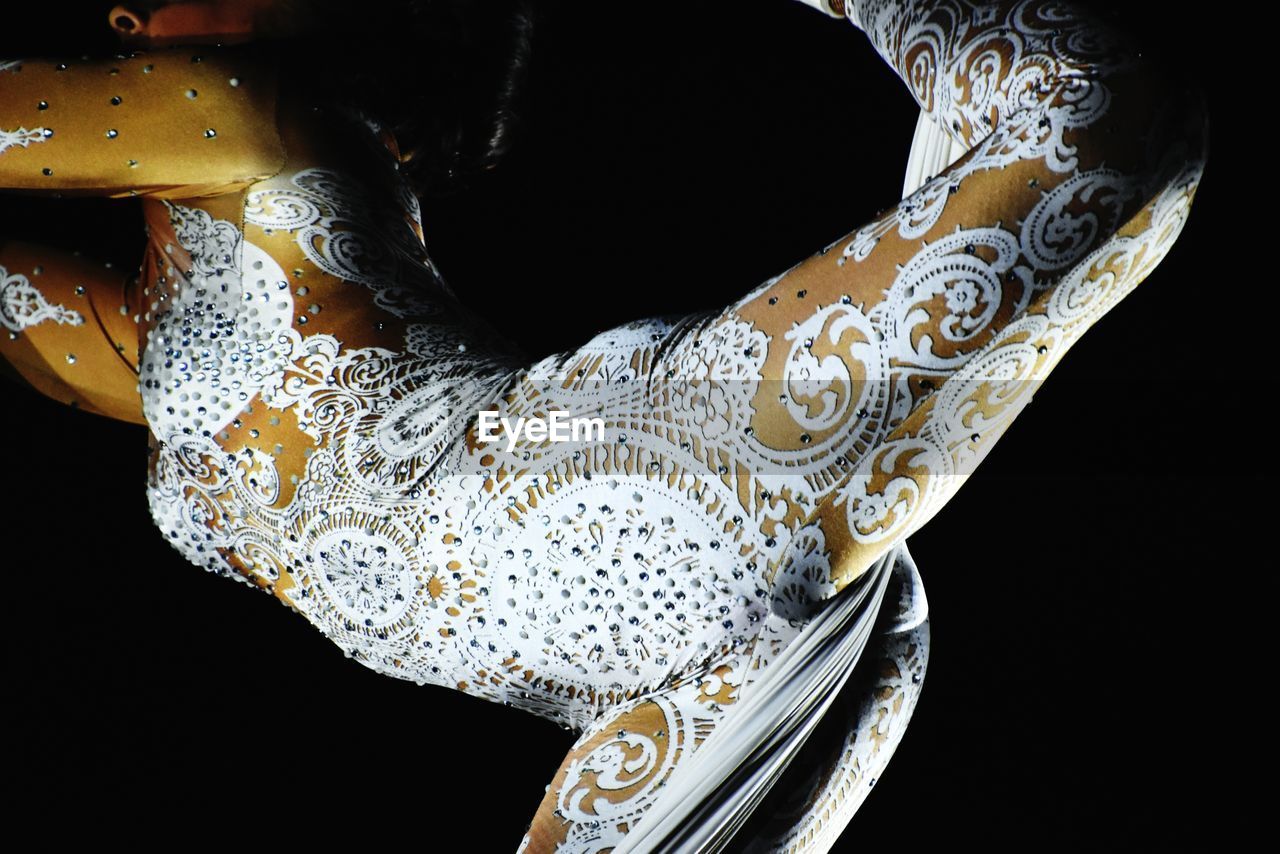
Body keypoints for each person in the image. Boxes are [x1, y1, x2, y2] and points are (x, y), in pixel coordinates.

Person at [0, 0, 1208, 850]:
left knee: (1093, 124)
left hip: (595, 498)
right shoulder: (168, 345)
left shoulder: (244, 108)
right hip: (674, 686)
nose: (125, 18)